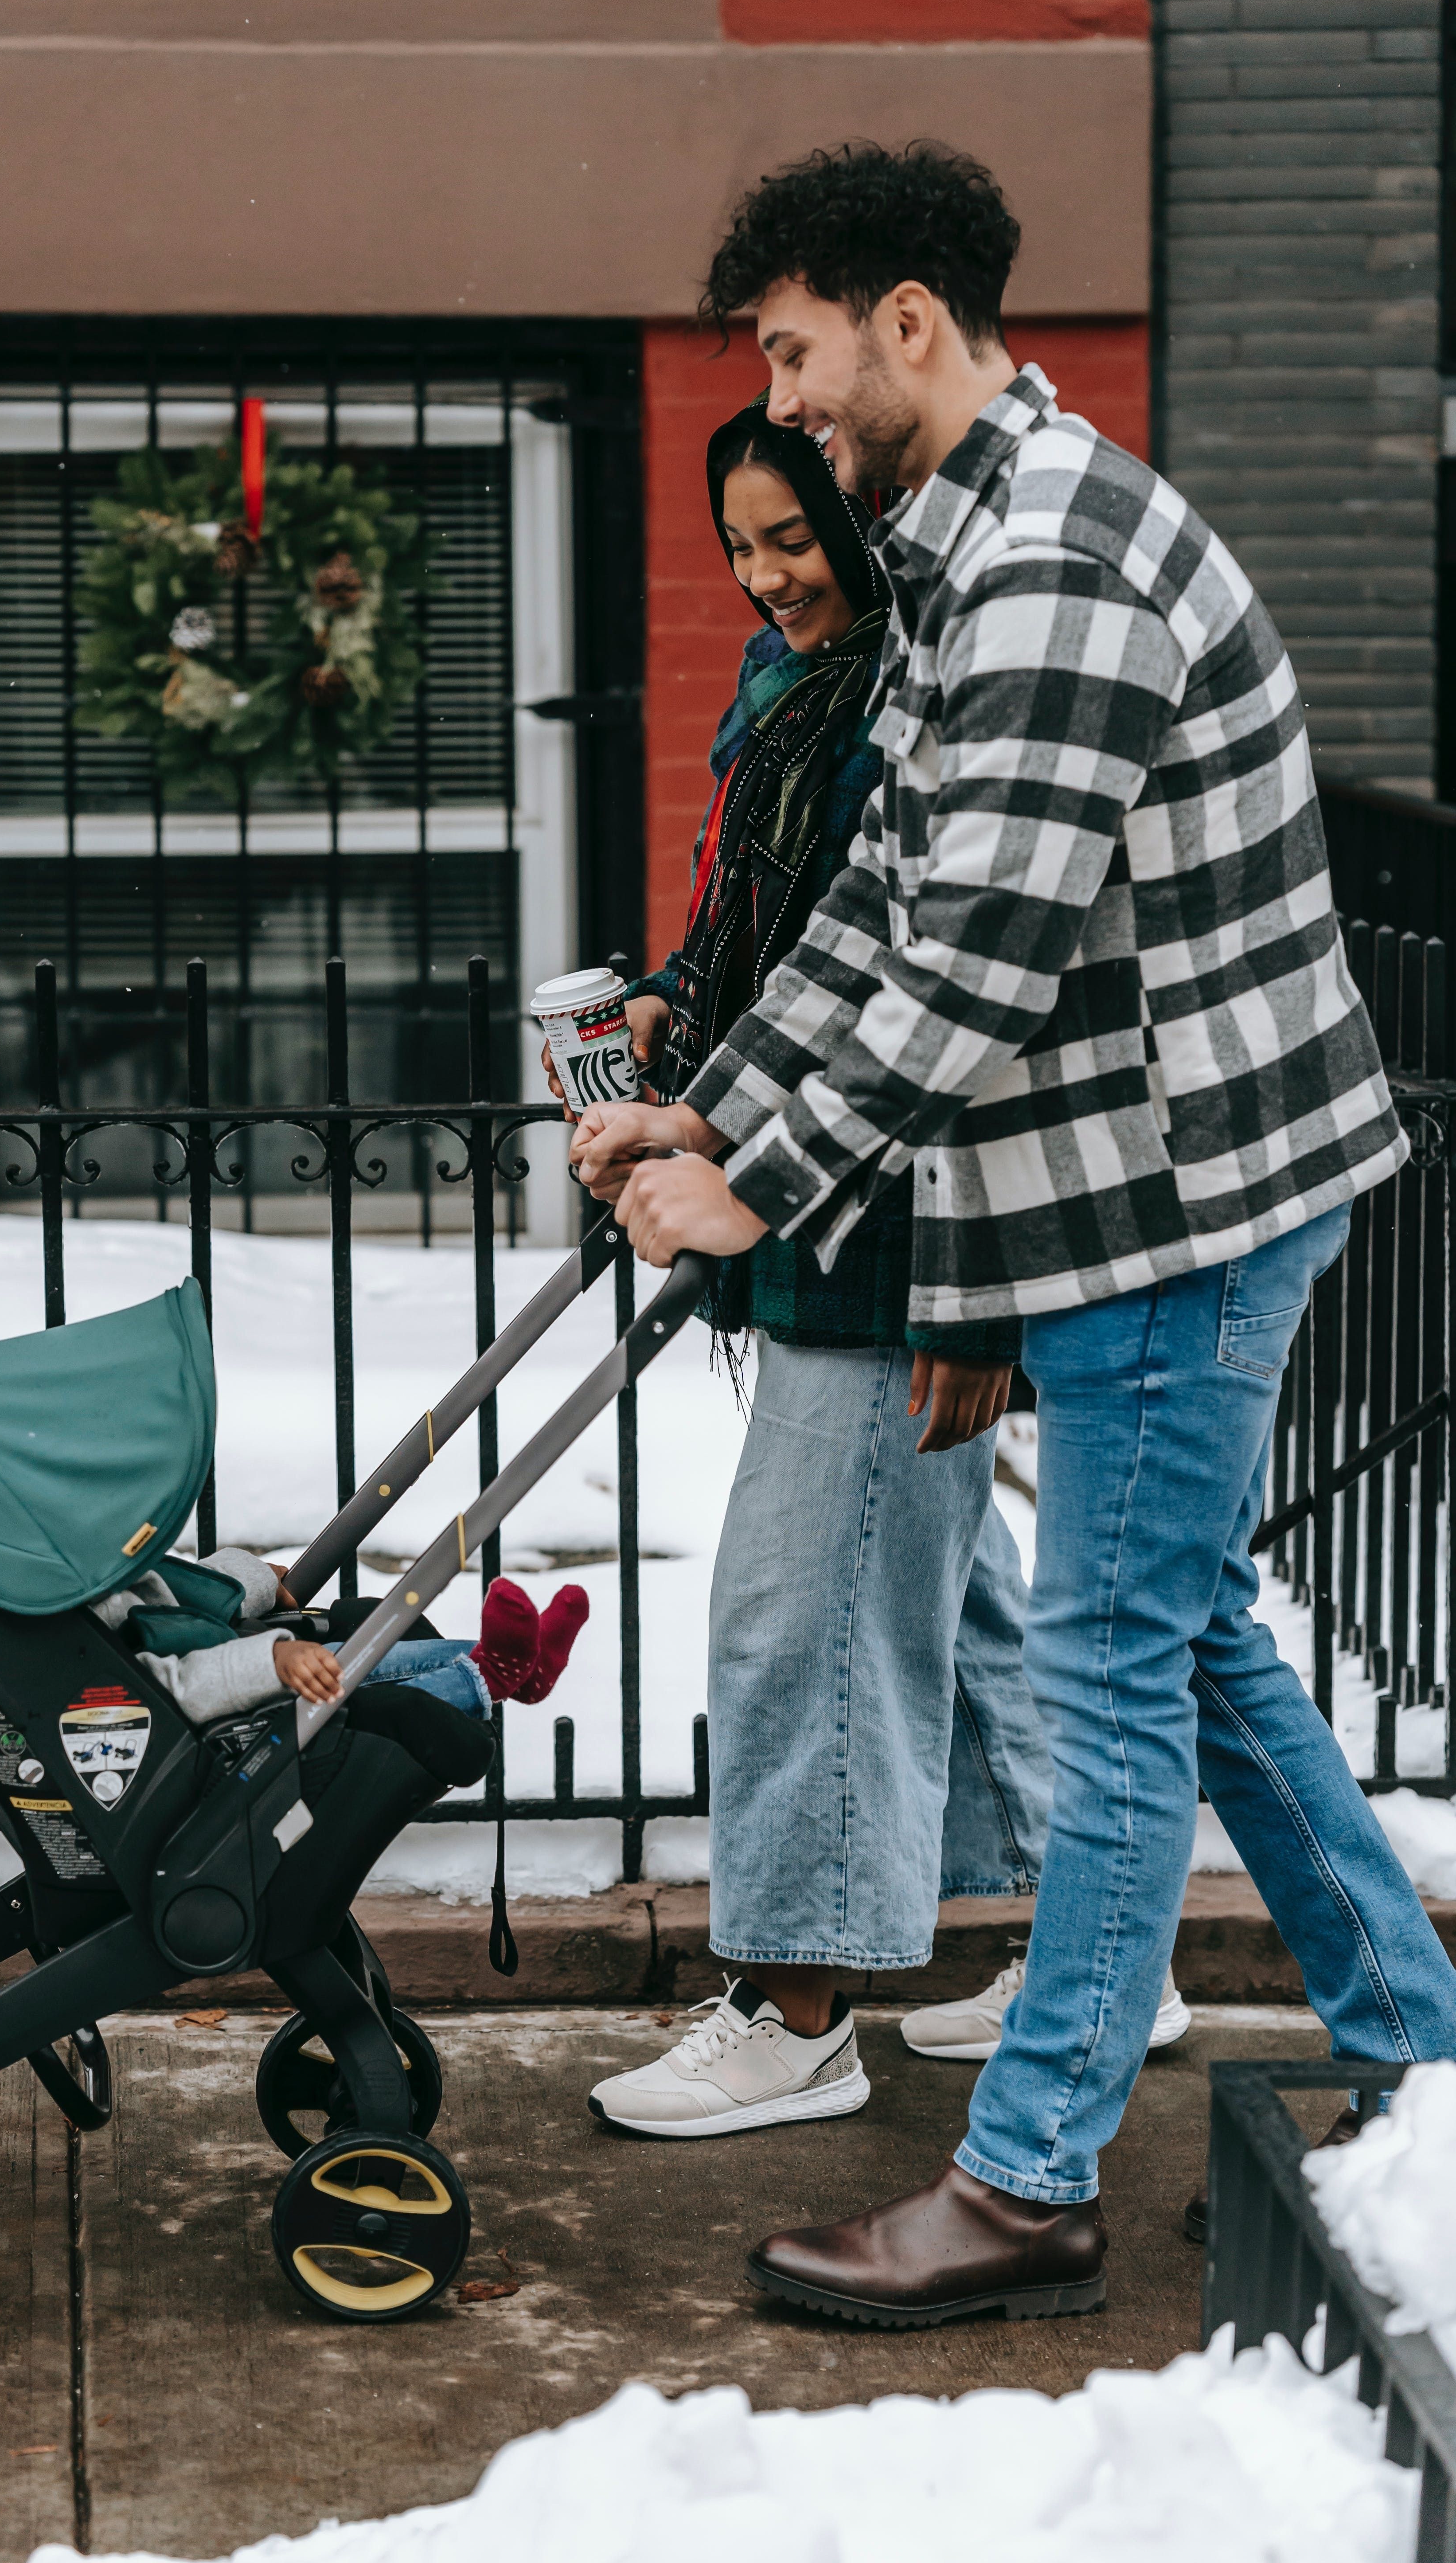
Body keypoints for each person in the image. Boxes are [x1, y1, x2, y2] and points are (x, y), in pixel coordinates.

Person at [573, 137, 1456, 2316]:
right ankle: (1420, 2045)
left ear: (902, 325)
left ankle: (1030, 2172)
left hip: (1172, 1197)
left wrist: (751, 1183)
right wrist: (714, 1098)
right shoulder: (963, 538)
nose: (775, 406)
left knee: (1109, 1657)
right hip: (1127, 1179)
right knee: (1193, 1640)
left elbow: (969, 963)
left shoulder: (1052, 563)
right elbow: (878, 902)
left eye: (789, 357)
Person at [555, 396, 1061, 2142]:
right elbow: (762, 948)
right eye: (744, 546)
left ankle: (798, 2002)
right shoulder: (785, 698)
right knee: (948, 1599)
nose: (770, 577)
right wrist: (664, 1028)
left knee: (803, 1614)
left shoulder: (920, 712)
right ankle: (1086, 1949)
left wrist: (980, 1279)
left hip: (886, 1231)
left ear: (863, 534)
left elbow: (971, 1011)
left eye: (796, 541)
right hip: (788, 1185)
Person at [94, 1549, 589, 1723]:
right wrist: (269, 1662)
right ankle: (488, 1677)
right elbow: (152, 1694)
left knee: (340, 1656)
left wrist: (246, 1578)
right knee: (337, 1699)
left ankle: (518, 1671)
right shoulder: (49, 1627)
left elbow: (156, 1595)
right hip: (195, 1715)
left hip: (205, 1656)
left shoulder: (65, 1581)